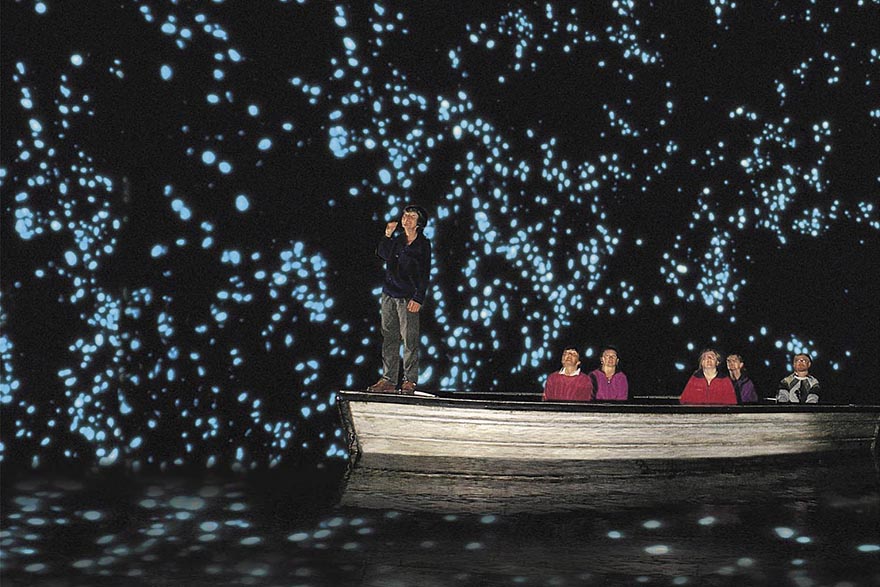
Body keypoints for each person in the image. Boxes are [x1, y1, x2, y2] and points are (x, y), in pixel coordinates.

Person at [367, 205, 431, 394]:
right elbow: (383, 254)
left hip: (408, 297)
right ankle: (388, 379)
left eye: (411, 217)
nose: (406, 219)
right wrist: (387, 235)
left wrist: (418, 298)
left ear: (419, 223)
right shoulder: (397, 241)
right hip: (389, 294)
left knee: (409, 339)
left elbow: (425, 273)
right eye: (405, 215)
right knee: (389, 337)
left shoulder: (423, 245)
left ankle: (410, 379)